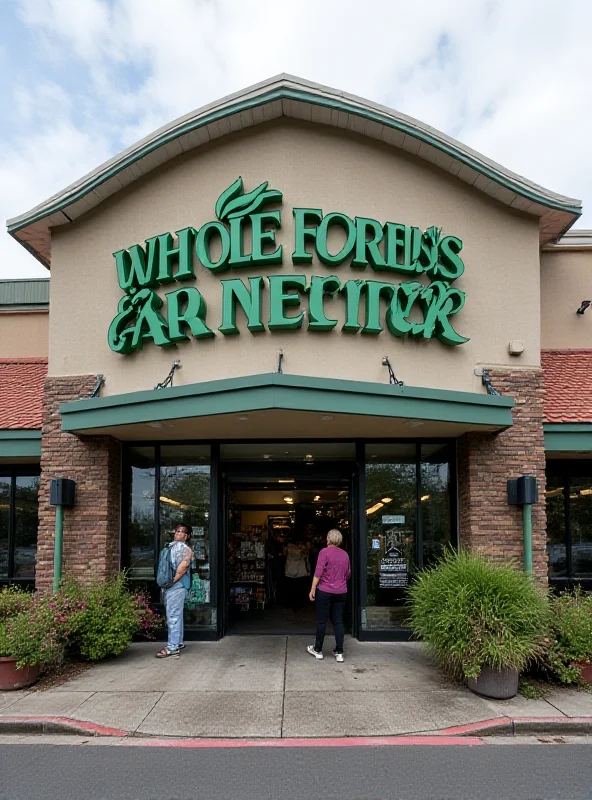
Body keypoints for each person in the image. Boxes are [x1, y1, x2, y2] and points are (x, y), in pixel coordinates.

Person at [307, 529, 351, 662]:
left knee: (322, 620)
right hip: (341, 592)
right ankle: (339, 652)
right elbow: (348, 573)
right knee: (338, 621)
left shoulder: (324, 552)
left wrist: (313, 588)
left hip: (325, 591)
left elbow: (318, 572)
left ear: (328, 539)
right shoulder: (345, 554)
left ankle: (318, 650)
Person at [155, 523, 193, 659]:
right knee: (176, 615)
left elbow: (183, 567)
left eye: (181, 531)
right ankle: (178, 642)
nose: (178, 533)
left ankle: (172, 647)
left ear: (186, 536)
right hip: (171, 586)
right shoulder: (170, 547)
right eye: (176, 531)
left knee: (173, 617)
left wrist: (172, 581)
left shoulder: (185, 549)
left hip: (176, 587)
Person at [284, 536, 310, 612]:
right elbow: (306, 554)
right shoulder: (303, 548)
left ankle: (291, 604)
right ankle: (300, 605)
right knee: (300, 589)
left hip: (290, 571)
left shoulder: (288, 548)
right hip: (300, 572)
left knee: (291, 589)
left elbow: (284, 553)